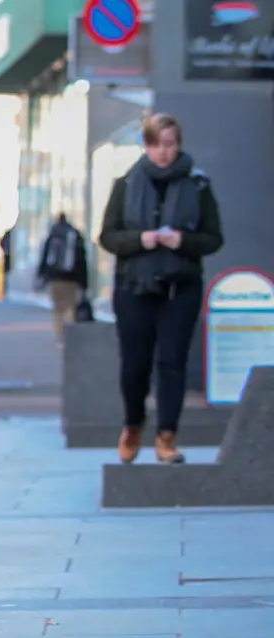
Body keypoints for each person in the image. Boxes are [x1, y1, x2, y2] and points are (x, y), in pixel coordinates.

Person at [98, 113, 223, 465]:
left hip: (179, 286)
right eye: (155, 144)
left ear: (179, 144)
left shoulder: (198, 185)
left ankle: (167, 437)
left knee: (172, 363)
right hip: (134, 286)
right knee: (135, 365)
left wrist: (182, 240)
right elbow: (107, 236)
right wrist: (142, 239)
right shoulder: (127, 183)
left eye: (169, 144)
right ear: (146, 145)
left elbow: (214, 238)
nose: (163, 152)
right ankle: (133, 424)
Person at [35, 212, 89, 346]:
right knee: (70, 307)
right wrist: (84, 282)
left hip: (56, 278)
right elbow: (82, 260)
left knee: (58, 309)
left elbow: (45, 257)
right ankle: (70, 336)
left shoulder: (53, 234)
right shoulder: (75, 234)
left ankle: (60, 336)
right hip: (72, 278)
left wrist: (42, 276)